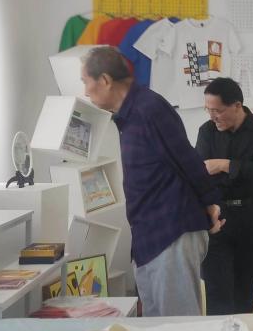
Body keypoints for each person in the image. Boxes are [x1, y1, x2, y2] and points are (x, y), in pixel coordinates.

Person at [80, 46, 224, 316]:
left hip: (171, 232)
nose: (85, 91)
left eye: (86, 81)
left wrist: (211, 204)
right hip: (149, 237)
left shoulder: (149, 108)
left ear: (105, 80)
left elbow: (186, 158)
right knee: (157, 328)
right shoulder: (128, 116)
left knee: (179, 330)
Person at [195, 77, 253, 315]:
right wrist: (240, 169)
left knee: (245, 287)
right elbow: (200, 173)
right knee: (216, 290)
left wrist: (225, 165)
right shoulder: (207, 131)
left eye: (218, 111)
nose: (213, 116)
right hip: (217, 214)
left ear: (237, 106)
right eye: (208, 110)